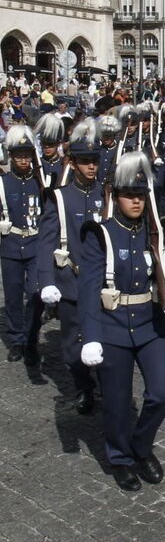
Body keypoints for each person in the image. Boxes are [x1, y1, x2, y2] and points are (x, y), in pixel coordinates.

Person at [78, 151, 165, 491]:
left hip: (149, 325)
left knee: (163, 391)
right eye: (129, 195)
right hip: (112, 327)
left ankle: (141, 445)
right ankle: (121, 457)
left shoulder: (154, 232)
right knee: (117, 402)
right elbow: (88, 290)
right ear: (116, 196)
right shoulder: (100, 234)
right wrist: (90, 336)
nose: (136, 201)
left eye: (141, 195)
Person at [38, 120, 103, 413]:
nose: (91, 167)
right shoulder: (60, 197)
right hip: (71, 281)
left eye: (94, 161)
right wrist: (46, 280)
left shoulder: (108, 195)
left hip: (102, 282)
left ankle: (107, 382)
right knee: (72, 344)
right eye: (85, 162)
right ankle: (83, 386)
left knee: (105, 337)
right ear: (73, 163)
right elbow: (45, 242)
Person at [0, 126, 44, 369]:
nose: (24, 160)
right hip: (11, 246)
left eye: (27, 155)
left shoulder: (40, 181)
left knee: (36, 293)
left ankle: (31, 340)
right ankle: (16, 339)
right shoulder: (3, 183)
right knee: (13, 296)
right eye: (19, 156)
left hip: (36, 244)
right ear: (11, 157)